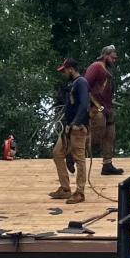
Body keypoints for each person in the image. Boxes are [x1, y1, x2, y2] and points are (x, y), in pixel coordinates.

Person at [49, 58, 89, 204]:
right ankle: (65, 189)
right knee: (57, 153)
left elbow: (84, 105)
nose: (64, 73)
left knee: (79, 159)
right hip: (68, 128)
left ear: (71, 69)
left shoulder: (81, 82)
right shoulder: (72, 84)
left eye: (65, 70)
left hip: (78, 128)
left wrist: (76, 123)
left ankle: (80, 192)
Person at [85, 44, 123, 175]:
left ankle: (107, 165)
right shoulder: (95, 66)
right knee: (96, 136)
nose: (114, 60)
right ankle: (72, 154)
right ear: (105, 55)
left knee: (110, 135)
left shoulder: (106, 70)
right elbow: (85, 86)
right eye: (112, 57)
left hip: (107, 108)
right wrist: (96, 105)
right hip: (96, 108)